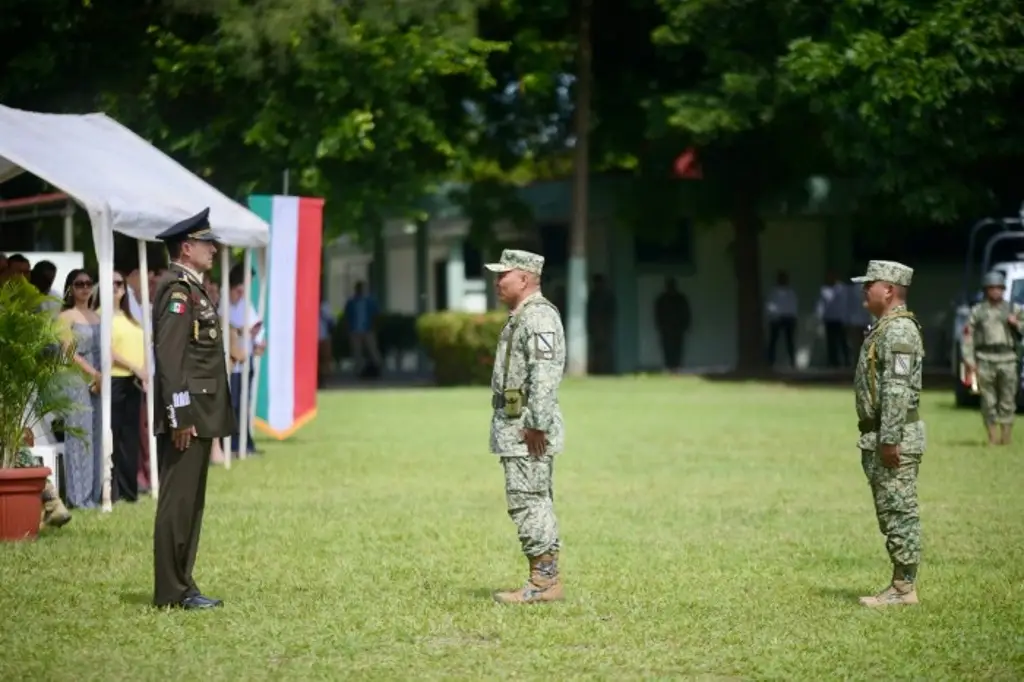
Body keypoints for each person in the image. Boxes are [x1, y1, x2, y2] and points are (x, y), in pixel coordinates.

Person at [150, 208, 235, 610]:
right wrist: (179, 415)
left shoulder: (193, 288)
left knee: (191, 504)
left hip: (199, 412)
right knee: (177, 502)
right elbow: (170, 359)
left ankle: (183, 585)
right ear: (187, 248)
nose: (214, 249)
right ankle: (171, 590)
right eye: (206, 243)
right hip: (188, 414)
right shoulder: (178, 291)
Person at [485, 249, 567, 604]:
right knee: (529, 499)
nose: (497, 281)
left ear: (524, 278)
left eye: (504, 274)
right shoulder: (522, 315)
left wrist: (537, 425)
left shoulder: (539, 318)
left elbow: (545, 375)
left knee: (529, 501)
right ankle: (543, 580)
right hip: (515, 426)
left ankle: (544, 583)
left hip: (527, 431)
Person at [851, 260, 926, 608]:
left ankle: (903, 589)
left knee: (899, 511)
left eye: (871, 284)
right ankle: (901, 585)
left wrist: (889, 439)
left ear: (889, 290)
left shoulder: (898, 333)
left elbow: (896, 389)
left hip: (893, 437)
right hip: (883, 434)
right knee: (891, 511)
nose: (865, 289)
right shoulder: (887, 328)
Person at [95, 270, 148, 503]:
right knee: (112, 435)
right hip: (115, 378)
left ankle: (129, 490)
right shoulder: (100, 315)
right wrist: (135, 367)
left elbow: (144, 343)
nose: (117, 287)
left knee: (130, 436)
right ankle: (111, 490)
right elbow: (108, 350)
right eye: (112, 283)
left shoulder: (130, 316)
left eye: (120, 283)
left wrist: (145, 371)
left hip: (134, 381)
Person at [57, 269, 103, 509]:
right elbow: (69, 351)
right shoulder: (66, 316)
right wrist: (92, 374)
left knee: (97, 437)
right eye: (79, 284)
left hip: (98, 378)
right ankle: (78, 497)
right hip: (77, 378)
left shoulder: (96, 315)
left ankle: (94, 494)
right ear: (70, 288)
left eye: (88, 283)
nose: (85, 288)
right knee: (79, 437)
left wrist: (101, 376)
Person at [961, 271, 1024, 445]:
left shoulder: (1013, 309)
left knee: (1008, 399)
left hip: (1008, 358)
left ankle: (1006, 437)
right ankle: (992, 437)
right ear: (986, 290)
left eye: (998, 288)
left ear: (1003, 290)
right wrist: (970, 361)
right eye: (991, 288)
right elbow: (968, 336)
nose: (995, 291)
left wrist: (1016, 324)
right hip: (985, 358)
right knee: (988, 400)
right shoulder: (978, 311)